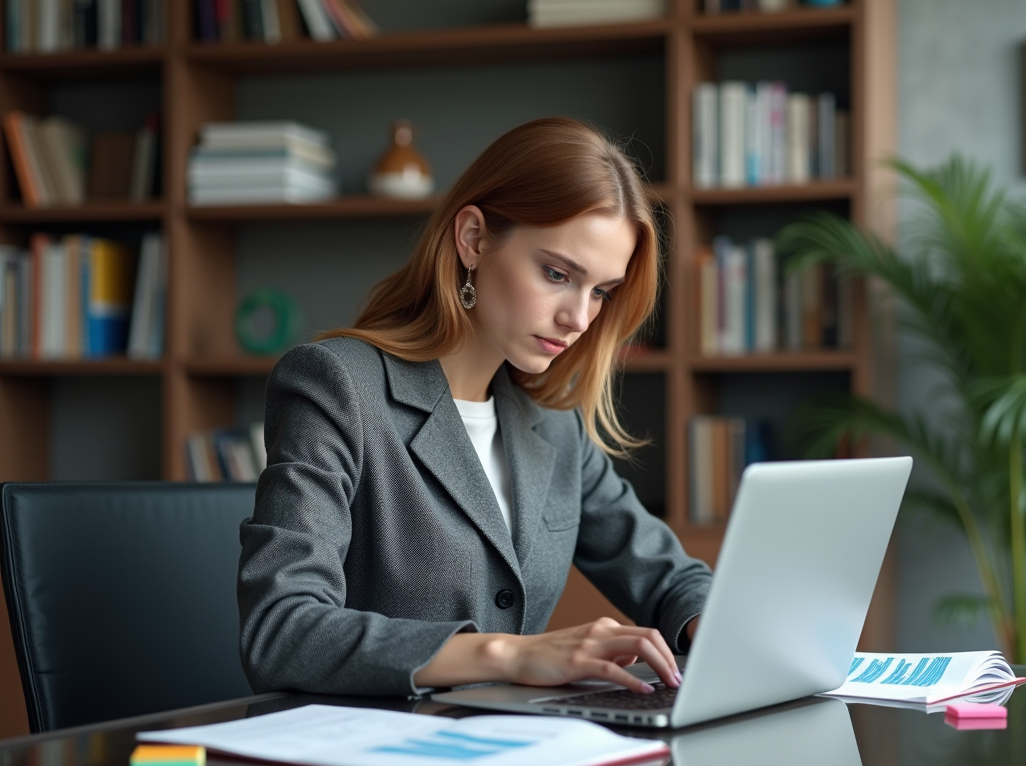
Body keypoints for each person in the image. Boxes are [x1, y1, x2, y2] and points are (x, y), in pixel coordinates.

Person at [237, 117, 712, 701]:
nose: (579, 319)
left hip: (514, 765)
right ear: (474, 239)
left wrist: (722, 631)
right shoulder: (338, 385)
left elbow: (669, 577)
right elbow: (281, 631)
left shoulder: (554, 426)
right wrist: (509, 653)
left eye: (600, 292)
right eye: (558, 274)